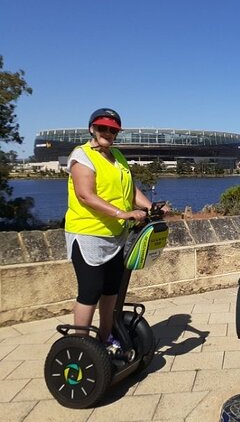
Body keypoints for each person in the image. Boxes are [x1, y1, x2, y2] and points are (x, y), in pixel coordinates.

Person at [65, 108, 157, 347]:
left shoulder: (117, 156)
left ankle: (106, 338)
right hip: (88, 234)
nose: (107, 132)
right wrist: (122, 213)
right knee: (90, 290)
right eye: (102, 128)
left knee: (111, 289)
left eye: (112, 129)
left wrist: (151, 207)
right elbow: (85, 195)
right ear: (92, 129)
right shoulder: (82, 155)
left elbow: (131, 190)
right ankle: (80, 346)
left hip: (116, 235)